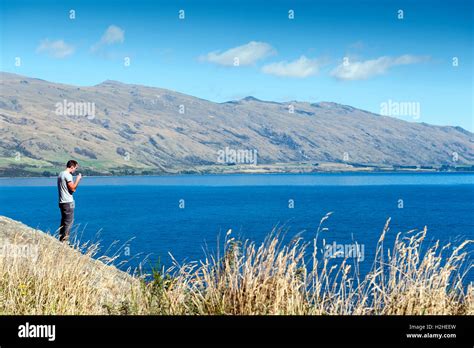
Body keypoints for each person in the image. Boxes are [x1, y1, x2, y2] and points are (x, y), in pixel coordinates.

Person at [57, 160, 82, 242]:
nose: (75, 170)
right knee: (68, 223)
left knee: (63, 222)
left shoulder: (61, 174)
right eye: (75, 168)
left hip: (62, 202)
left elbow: (67, 189)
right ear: (72, 167)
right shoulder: (68, 175)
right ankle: (65, 242)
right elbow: (73, 188)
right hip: (68, 202)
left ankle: (61, 239)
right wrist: (78, 179)